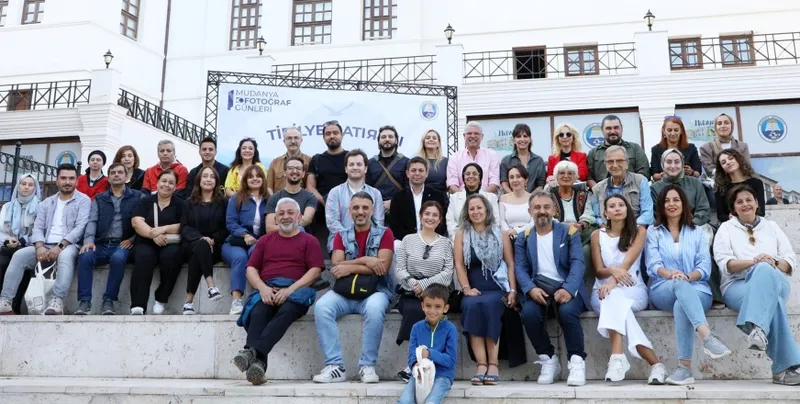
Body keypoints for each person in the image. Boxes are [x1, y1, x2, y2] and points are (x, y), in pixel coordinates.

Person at [713, 184, 800, 386]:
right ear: (733, 208)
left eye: (749, 200)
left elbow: (789, 262)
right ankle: (784, 369)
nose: (745, 204)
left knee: (765, 272)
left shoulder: (772, 227)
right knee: (774, 302)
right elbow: (726, 264)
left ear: (757, 203)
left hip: (776, 281)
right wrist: (755, 262)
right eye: (739, 202)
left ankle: (757, 327)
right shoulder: (725, 229)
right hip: (737, 285)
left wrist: (771, 262)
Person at [232, 197, 324, 385]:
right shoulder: (265, 241)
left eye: (290, 213)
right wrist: (263, 288)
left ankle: (252, 351)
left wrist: (290, 290)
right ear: (275, 219)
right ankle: (258, 368)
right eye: (281, 213)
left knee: (287, 310)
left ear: (299, 217)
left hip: (296, 291)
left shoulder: (310, 240)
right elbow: (250, 269)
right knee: (258, 311)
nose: (285, 217)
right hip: (268, 288)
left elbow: (315, 271)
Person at [646, 185, 730, 385]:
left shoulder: (698, 231)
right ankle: (707, 337)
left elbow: (704, 267)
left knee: (681, 303)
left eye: (676, 200)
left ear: (684, 204)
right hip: (662, 288)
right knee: (678, 285)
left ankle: (684, 370)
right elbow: (653, 265)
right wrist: (672, 274)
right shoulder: (654, 231)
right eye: (667, 200)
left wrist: (687, 276)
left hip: (698, 289)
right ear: (661, 205)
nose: (672, 204)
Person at [312, 192, 395, 384]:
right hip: (344, 293)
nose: (360, 212)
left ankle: (367, 366)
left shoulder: (385, 233)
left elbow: (382, 268)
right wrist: (367, 260)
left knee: (375, 309)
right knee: (322, 306)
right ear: (349, 210)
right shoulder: (341, 235)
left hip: (376, 292)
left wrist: (351, 265)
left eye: (365, 208)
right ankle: (335, 366)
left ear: (372, 210)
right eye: (356, 208)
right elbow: (336, 266)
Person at [590, 195, 666, 384]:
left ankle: (617, 358)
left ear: (627, 209)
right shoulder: (596, 235)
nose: (617, 208)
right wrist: (612, 273)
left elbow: (627, 263)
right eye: (612, 206)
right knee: (615, 302)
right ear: (605, 213)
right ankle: (656, 365)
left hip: (633, 288)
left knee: (612, 297)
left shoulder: (639, 231)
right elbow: (599, 272)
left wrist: (612, 280)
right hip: (601, 291)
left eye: (621, 205)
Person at [516, 191, 588, 386]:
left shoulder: (569, 232)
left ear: (555, 210)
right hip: (539, 290)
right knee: (529, 313)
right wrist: (530, 289)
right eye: (537, 208)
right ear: (530, 211)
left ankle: (576, 361)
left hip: (567, 288)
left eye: (547, 207)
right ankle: (549, 360)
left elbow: (578, 263)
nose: (542, 211)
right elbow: (520, 268)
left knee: (567, 311)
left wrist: (568, 288)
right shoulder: (523, 237)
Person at [0, 164, 90, 315]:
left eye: (71, 178)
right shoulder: (47, 202)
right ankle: (5, 301)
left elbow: (80, 228)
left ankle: (56, 301)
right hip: (45, 244)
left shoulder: (84, 201)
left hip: (68, 245)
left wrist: (59, 246)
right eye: (63, 178)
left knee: (65, 257)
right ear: (57, 180)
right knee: (19, 256)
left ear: (76, 181)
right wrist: (40, 246)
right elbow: (38, 227)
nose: (67, 182)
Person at [454, 194, 516, 385]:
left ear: (487, 210)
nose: (476, 212)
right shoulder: (461, 234)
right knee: (472, 306)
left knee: (490, 306)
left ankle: (493, 364)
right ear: (467, 212)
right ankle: (481, 364)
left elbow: (510, 263)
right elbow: (459, 264)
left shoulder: (500, 232)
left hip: (497, 287)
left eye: (479, 208)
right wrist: (466, 288)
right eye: (472, 208)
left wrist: (512, 290)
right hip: (474, 288)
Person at [394, 201, 454, 381]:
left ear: (440, 220)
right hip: (411, 291)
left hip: (437, 292)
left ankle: (425, 361)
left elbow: (448, 272)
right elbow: (399, 270)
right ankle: (414, 362)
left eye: (435, 215)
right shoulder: (408, 240)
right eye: (427, 213)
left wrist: (426, 285)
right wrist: (414, 284)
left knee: (433, 309)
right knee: (414, 309)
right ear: (420, 215)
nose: (430, 218)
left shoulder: (445, 243)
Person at [75, 163, 143, 315]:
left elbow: (143, 221)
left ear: (127, 177)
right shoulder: (100, 198)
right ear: (109, 177)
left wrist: (132, 239)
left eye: (120, 172)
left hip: (123, 243)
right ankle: (84, 301)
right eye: (113, 172)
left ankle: (108, 301)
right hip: (100, 243)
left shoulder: (137, 197)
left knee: (118, 259)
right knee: (85, 256)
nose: (116, 175)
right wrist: (89, 241)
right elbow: (92, 220)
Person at [129, 169, 185, 315]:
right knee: (143, 257)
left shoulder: (180, 204)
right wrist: (153, 235)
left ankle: (161, 298)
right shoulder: (146, 201)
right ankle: (138, 304)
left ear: (175, 186)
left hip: (170, 242)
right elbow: (136, 222)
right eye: (164, 181)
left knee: (171, 258)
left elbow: (184, 225)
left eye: (171, 183)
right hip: (146, 241)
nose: (167, 185)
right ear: (157, 182)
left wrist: (163, 229)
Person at [397, 284, 458, 404]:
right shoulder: (416, 328)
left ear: (445, 308)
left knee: (431, 402)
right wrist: (415, 366)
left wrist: (430, 354)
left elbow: (450, 360)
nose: (432, 311)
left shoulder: (450, 329)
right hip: (420, 375)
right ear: (422, 306)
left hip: (442, 376)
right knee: (405, 401)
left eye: (438, 307)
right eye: (428, 306)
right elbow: (412, 356)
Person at [180, 166, 228, 314]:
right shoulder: (188, 202)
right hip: (190, 243)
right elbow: (184, 227)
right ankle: (210, 285)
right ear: (199, 180)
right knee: (200, 246)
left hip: (215, 247)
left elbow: (226, 227)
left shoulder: (224, 203)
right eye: (205, 176)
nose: (208, 179)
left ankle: (189, 302)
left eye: (212, 177)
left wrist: (213, 240)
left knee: (198, 254)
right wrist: (201, 239)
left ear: (217, 181)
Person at [222, 165, 270, 315]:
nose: (255, 179)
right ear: (245, 180)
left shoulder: (270, 199)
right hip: (235, 242)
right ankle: (236, 300)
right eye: (251, 176)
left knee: (257, 254)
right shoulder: (237, 198)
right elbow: (230, 222)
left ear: (263, 179)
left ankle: (260, 297)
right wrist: (244, 234)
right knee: (240, 257)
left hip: (258, 242)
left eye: (258, 176)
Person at [325, 149, 384, 252]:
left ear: (365, 169)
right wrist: (350, 238)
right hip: (341, 241)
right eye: (351, 164)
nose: (355, 167)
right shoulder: (335, 192)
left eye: (359, 164)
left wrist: (364, 238)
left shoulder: (375, 193)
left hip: (370, 242)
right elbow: (332, 223)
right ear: (346, 169)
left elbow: (378, 223)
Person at [0, 174, 40, 314]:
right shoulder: (7, 207)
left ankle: (16, 305)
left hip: (29, 246)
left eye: (30, 185)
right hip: (7, 246)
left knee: (21, 259)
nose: (26, 187)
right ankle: (3, 304)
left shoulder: (39, 207)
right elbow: (1, 231)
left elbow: (40, 231)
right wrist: (7, 240)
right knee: (2, 260)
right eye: (23, 184)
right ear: (18, 186)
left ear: (35, 188)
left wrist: (22, 241)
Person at [307, 121, 349, 247]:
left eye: (335, 133)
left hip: (347, 207)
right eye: (328, 133)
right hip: (322, 208)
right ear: (324, 137)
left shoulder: (351, 157)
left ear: (342, 135)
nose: (332, 136)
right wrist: (327, 203)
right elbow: (310, 187)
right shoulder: (317, 159)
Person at [592, 145, 654, 227]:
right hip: (609, 231)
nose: (615, 165)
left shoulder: (640, 181)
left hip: (636, 229)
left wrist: (631, 230)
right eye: (610, 162)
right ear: (605, 164)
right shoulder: (598, 188)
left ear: (627, 163)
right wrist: (606, 229)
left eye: (619, 161)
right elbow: (597, 217)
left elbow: (647, 213)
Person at [389, 157, 449, 241]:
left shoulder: (438, 196)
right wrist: (412, 241)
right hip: (406, 241)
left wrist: (430, 238)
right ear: (407, 173)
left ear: (427, 173)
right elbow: (395, 225)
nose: (417, 173)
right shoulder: (398, 197)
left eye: (421, 170)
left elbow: (442, 222)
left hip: (433, 240)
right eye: (413, 170)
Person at [650, 149, 711, 227]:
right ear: (662, 164)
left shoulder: (695, 183)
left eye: (677, 162)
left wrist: (690, 226)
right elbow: (655, 215)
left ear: (682, 164)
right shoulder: (655, 188)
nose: (673, 166)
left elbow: (703, 210)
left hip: (694, 227)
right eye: (668, 162)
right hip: (666, 231)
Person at [586, 115, 650, 187]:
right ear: (602, 130)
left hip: (632, 192)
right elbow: (589, 177)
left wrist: (629, 188)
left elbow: (644, 172)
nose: (613, 131)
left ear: (621, 129)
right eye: (608, 128)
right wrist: (600, 191)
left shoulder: (635, 148)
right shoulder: (593, 153)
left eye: (616, 128)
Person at [445, 163, 500, 239]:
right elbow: (450, 222)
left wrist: (483, 239)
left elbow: (495, 222)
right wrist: (459, 240)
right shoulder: (454, 198)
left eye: (474, 174)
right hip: (459, 241)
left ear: (480, 178)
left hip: (486, 240)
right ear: (464, 178)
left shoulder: (491, 198)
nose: (471, 176)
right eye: (467, 174)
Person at [264, 157, 316, 233]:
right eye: (290, 168)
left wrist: (282, 224)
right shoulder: (274, 198)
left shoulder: (310, 197)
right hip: (280, 240)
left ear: (303, 174)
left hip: (302, 240)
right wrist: (292, 225)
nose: (294, 171)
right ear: (284, 172)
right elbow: (269, 228)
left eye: (298, 168)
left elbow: (306, 220)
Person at [446, 121, 500, 194]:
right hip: (461, 201)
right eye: (469, 133)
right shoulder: (455, 158)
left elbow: (494, 182)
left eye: (476, 133)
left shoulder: (491, 155)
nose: (473, 136)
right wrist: (466, 198)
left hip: (486, 200)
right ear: (464, 136)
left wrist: (480, 198)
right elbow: (452, 184)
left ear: (482, 136)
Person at [714, 149, 765, 222]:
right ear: (722, 168)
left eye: (731, 158)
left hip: (754, 224)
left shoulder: (756, 183)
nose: (728, 162)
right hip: (732, 226)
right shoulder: (721, 188)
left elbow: (761, 212)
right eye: (723, 162)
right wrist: (730, 218)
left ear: (738, 159)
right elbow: (721, 215)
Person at [366, 125, 409, 212]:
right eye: (383, 137)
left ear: (396, 140)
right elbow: (367, 188)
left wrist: (393, 202)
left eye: (390, 136)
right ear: (378, 141)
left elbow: (409, 189)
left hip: (400, 209)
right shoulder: (370, 163)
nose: (387, 139)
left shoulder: (406, 162)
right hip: (375, 210)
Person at [699, 113, 751, 180]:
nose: (723, 126)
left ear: (731, 126)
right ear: (715, 127)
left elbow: (747, 167)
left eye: (726, 123)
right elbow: (710, 170)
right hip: (719, 184)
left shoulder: (742, 146)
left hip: (741, 182)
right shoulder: (706, 148)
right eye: (719, 123)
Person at [650, 117, 702, 181]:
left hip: (687, 184)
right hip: (664, 185)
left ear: (681, 131)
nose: (673, 133)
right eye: (669, 130)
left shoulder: (691, 148)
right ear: (664, 131)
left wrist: (691, 172)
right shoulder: (656, 149)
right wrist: (665, 175)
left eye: (676, 130)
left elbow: (698, 172)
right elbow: (654, 174)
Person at [500, 123, 546, 193]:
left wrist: (529, 198)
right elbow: (504, 184)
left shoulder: (538, 161)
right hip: (512, 201)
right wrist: (515, 198)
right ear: (514, 140)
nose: (522, 139)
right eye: (518, 136)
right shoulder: (506, 161)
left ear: (530, 139)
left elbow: (540, 185)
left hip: (533, 200)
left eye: (525, 136)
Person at [266, 127, 312, 195]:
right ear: (284, 141)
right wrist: (275, 202)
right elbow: (269, 187)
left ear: (301, 140)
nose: (293, 141)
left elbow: (311, 187)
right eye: (289, 138)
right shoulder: (275, 162)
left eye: (296, 138)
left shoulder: (310, 161)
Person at [499, 165, 533, 239]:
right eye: (511, 177)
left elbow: (534, 222)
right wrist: (509, 232)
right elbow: (502, 221)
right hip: (508, 237)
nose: (515, 180)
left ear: (526, 179)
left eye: (518, 176)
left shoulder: (533, 198)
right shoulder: (503, 198)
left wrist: (517, 231)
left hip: (529, 236)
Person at [416, 129, 449, 193]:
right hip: (421, 198)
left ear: (438, 143)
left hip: (441, 198)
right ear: (423, 142)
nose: (431, 139)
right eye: (428, 138)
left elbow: (450, 184)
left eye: (434, 138)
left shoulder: (446, 161)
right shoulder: (417, 161)